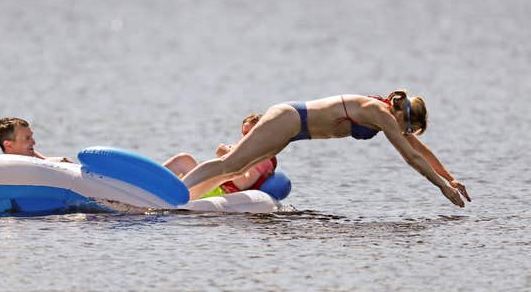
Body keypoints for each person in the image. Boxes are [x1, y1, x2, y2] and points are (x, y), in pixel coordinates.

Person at [181, 90, 471, 207]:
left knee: (238, 167)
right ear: (402, 115)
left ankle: (187, 198)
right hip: (290, 118)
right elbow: (410, 157)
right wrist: (441, 189)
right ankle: (179, 189)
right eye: (408, 128)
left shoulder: (387, 117)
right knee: (231, 163)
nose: (406, 134)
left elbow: (421, 151)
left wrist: (449, 178)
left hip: (293, 131)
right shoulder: (379, 112)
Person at [163, 114, 277, 199]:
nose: (244, 137)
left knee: (183, 160)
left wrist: (227, 154)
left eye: (249, 133)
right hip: (212, 186)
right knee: (185, 159)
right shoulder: (241, 149)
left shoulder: (263, 157)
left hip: (222, 193)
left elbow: (242, 184)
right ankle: (152, 182)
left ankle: (157, 186)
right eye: (243, 133)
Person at [0, 117, 73, 163]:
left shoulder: (34, 164)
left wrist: (51, 161)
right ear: (8, 145)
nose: (34, 142)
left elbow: (35, 154)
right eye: (27, 138)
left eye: (31, 137)